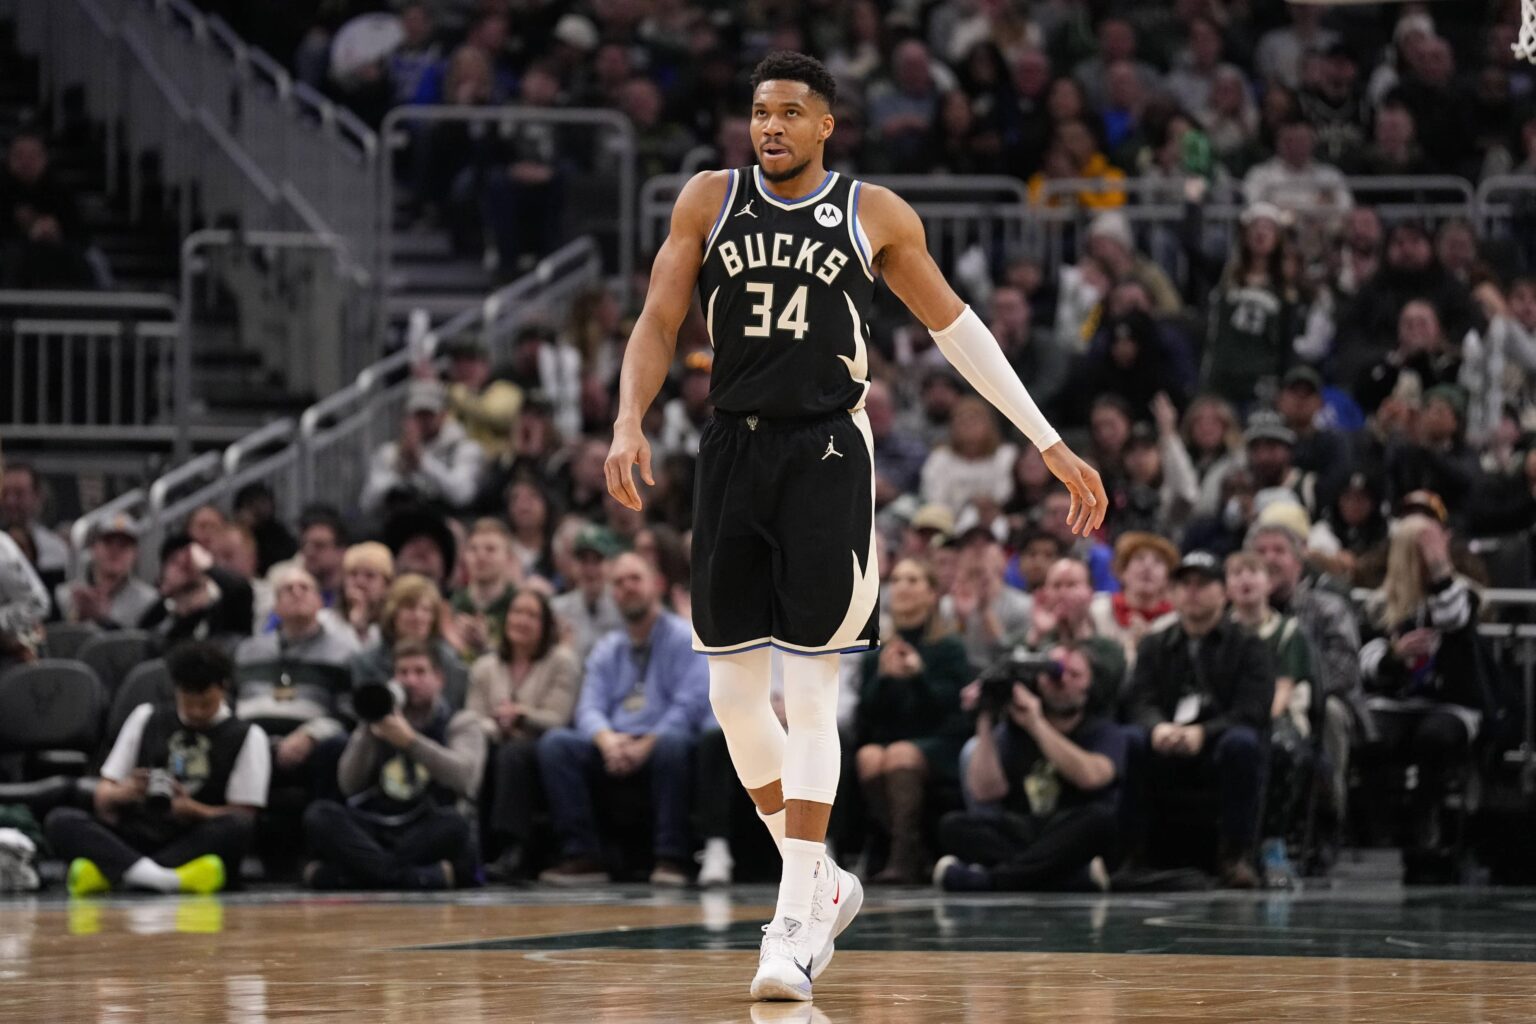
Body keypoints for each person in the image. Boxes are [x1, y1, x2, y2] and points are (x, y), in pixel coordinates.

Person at [603, 50, 1106, 1003]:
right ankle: (823, 874)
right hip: (731, 450)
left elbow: (960, 330)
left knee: (812, 684)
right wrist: (628, 418)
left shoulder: (873, 212)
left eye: (792, 112)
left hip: (830, 452)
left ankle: (794, 922)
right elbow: (660, 320)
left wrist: (1046, 440)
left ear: (827, 124)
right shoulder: (708, 200)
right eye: (760, 112)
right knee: (731, 699)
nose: (772, 128)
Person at [536, 553, 710, 887]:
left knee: (674, 744)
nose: (626, 588)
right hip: (615, 743)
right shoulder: (608, 647)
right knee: (556, 744)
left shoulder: (684, 636)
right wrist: (607, 741)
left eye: (635, 579)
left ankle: (671, 858)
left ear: (656, 585)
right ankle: (584, 856)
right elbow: (588, 708)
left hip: (661, 744)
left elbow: (689, 706)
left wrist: (646, 744)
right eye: (618, 582)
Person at [47, 643, 269, 897]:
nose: (196, 712)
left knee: (237, 828)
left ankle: (118, 871)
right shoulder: (146, 717)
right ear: (176, 689)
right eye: (189, 703)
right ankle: (165, 879)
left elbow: (245, 814)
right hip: (137, 829)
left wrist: (193, 810)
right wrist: (124, 792)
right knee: (60, 820)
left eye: (205, 705)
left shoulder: (248, 735)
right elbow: (104, 793)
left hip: (191, 837)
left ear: (223, 687)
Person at [1121, 551, 1273, 888]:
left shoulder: (1250, 646)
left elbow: (1253, 710)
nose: (1192, 591)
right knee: (1130, 740)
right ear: (1172, 593)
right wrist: (1156, 726)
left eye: (1203, 584)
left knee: (1243, 743)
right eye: (1184, 584)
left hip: (1218, 744)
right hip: (1167, 739)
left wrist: (1203, 733)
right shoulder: (1154, 645)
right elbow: (1137, 700)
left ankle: (1235, 856)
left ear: (1224, 592)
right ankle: (1132, 855)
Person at [1358, 515, 1489, 883]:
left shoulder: (1463, 593)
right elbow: (1365, 663)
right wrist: (1393, 656)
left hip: (1451, 702)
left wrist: (1439, 568)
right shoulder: (1380, 602)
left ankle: (1426, 817)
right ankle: (1378, 824)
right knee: (1373, 733)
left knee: (1433, 736)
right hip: (1395, 701)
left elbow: (1453, 618)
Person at [935, 644, 1125, 891]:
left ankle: (991, 881)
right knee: (953, 826)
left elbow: (1091, 777)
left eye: (1074, 675)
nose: (1062, 681)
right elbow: (985, 792)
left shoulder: (1104, 730)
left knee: (1100, 821)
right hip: (1029, 829)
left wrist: (1037, 724)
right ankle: (1070, 879)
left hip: (1073, 828)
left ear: (1090, 686)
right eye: (1053, 674)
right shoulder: (1015, 729)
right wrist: (984, 718)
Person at [302, 641, 486, 890]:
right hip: (376, 826)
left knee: (456, 824)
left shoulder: (459, 721)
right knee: (319, 814)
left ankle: (349, 877)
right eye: (403, 673)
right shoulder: (378, 718)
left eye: (420, 672)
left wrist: (411, 742)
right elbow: (348, 784)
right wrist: (369, 726)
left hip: (425, 827)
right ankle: (418, 878)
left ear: (439, 679)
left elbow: (465, 778)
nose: (411, 680)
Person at [856, 559, 971, 885]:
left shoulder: (948, 648)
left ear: (932, 593)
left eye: (913, 579)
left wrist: (919, 676)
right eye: (897, 580)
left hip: (941, 742)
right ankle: (913, 850)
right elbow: (868, 715)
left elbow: (951, 712)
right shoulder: (876, 649)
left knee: (899, 753)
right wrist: (884, 678)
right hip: (894, 742)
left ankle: (902, 859)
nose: (902, 587)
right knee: (869, 756)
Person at [467, 588, 579, 881]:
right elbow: (473, 717)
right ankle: (473, 847)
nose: (522, 620)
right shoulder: (485, 667)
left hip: (541, 749)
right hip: (494, 742)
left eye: (532, 615)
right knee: (481, 752)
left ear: (545, 626)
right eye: (517, 612)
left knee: (513, 754)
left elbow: (559, 718)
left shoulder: (561, 662)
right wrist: (495, 725)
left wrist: (521, 714)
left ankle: (513, 849)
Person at [1225, 551, 1315, 885]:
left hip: (1274, 716)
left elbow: (1282, 690)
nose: (1245, 579)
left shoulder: (1288, 632)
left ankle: (1272, 842)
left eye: (1253, 572)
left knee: (1278, 748)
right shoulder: (1221, 630)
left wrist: (1253, 719)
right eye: (1237, 572)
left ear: (1269, 583)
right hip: (1231, 715)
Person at [233, 566, 358, 780]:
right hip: (250, 743)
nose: (297, 593)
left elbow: (348, 713)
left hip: (313, 746)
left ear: (320, 601)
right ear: (276, 606)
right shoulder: (248, 651)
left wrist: (310, 736)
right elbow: (231, 701)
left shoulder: (343, 653)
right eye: (287, 589)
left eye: (305, 588)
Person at [360, 378, 484, 516]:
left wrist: (422, 462)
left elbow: (462, 496)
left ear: (443, 415)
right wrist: (400, 469)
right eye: (417, 415)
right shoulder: (389, 452)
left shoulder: (465, 449)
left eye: (428, 414)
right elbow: (368, 503)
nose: (422, 421)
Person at [350, 574, 469, 710]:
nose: (418, 616)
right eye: (410, 608)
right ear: (393, 613)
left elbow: (453, 709)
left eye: (426, 610)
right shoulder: (367, 662)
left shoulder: (447, 659)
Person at [139, 534, 255, 652]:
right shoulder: (159, 617)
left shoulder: (223, 610)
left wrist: (208, 567)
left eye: (190, 557)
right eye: (173, 560)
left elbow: (240, 590)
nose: (183, 560)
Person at [54, 513, 158, 629]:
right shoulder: (65, 596)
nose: (115, 551)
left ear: (135, 554)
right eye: (108, 542)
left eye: (124, 545)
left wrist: (103, 619)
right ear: (93, 547)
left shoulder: (149, 603)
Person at [1090, 532, 1178, 667]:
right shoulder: (1097, 610)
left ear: (1167, 579)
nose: (1147, 567)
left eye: (1158, 561)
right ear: (1121, 571)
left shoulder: (1175, 623)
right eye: (1139, 558)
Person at [549, 525, 626, 663]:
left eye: (597, 561)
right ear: (574, 565)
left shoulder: (623, 606)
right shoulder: (557, 609)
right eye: (583, 561)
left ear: (611, 565)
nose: (590, 570)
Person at [449, 518, 522, 662]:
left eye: (490, 549)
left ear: (509, 558)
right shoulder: (453, 605)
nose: (480, 556)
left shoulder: (520, 605)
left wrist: (487, 645)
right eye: (473, 549)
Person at [0, 462, 68, 586]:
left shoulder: (55, 549)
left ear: (37, 496)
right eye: (5, 494)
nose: (10, 501)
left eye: (18, 494)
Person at [323, 542, 395, 647]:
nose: (360, 581)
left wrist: (361, 629)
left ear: (387, 585)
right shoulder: (326, 622)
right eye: (353, 574)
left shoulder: (394, 625)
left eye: (370, 575)